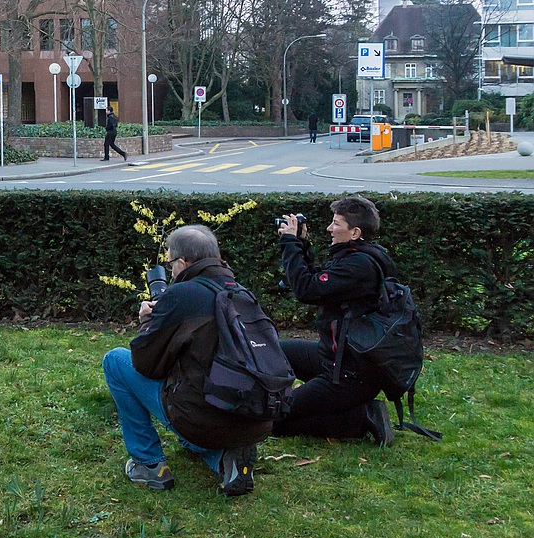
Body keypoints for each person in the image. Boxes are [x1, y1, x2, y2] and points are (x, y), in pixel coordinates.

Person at [102, 225, 269, 497]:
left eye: (170, 265)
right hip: (253, 416)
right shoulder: (242, 293)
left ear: (182, 263)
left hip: (204, 416)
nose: (170, 272)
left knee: (115, 361)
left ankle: (149, 465)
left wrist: (147, 323)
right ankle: (225, 458)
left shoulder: (183, 295)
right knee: (195, 395)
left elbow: (144, 363)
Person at [274, 197, 395, 446]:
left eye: (336, 223)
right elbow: (315, 280)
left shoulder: (359, 265)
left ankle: (362, 417)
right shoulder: (353, 256)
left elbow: (306, 289)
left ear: (355, 232)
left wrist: (289, 243)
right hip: (335, 359)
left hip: (350, 376)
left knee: (275, 421)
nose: (329, 228)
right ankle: (298, 402)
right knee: (274, 351)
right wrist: (301, 244)